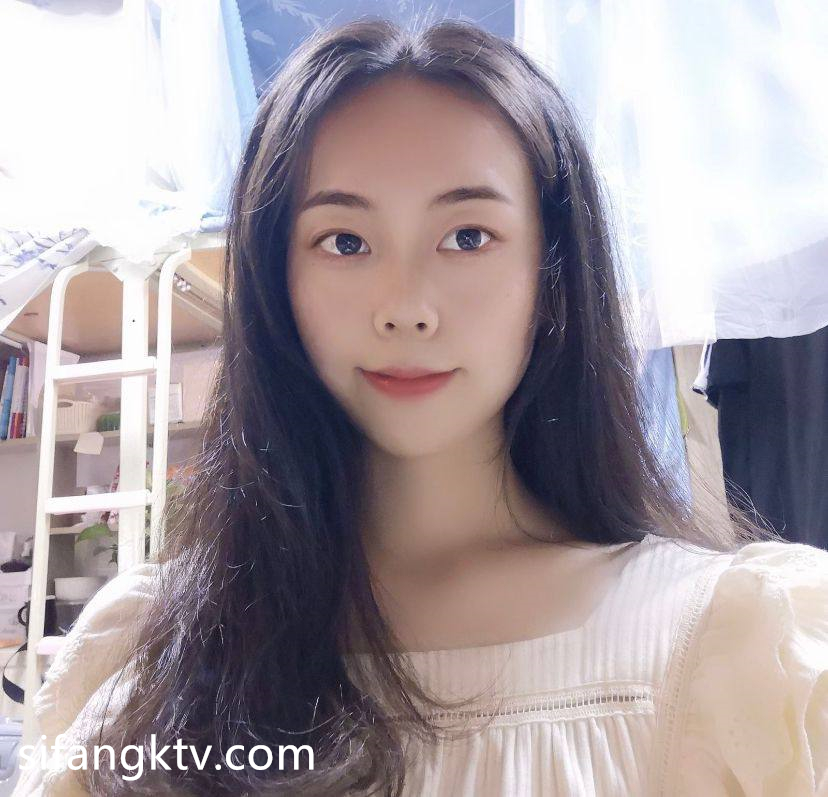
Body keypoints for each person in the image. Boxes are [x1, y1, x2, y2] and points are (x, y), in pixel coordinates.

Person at [12, 16, 828, 797]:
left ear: (551, 279)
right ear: (276, 282)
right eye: (345, 242)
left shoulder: (740, 648)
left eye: (467, 236)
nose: (406, 307)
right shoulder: (144, 653)